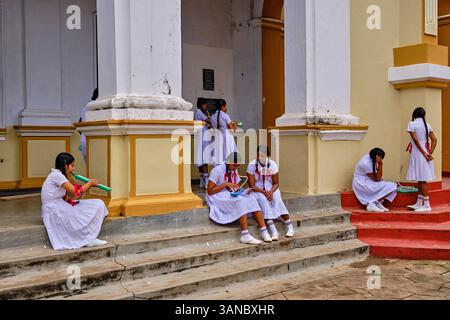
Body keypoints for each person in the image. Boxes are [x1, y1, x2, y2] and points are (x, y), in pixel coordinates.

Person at [41, 152, 109, 250]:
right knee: (88, 210)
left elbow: (70, 197)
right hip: (54, 210)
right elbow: (74, 191)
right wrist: (89, 184)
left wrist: (82, 191)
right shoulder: (56, 176)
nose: (73, 169)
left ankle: (89, 238)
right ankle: (88, 239)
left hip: (60, 206)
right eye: (72, 166)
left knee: (98, 204)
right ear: (65, 165)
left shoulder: (59, 176)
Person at [206, 152, 272, 245]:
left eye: (238, 166)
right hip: (216, 196)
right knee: (241, 201)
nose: (236, 168)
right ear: (228, 163)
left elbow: (235, 186)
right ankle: (245, 235)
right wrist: (225, 184)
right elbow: (210, 191)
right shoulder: (217, 170)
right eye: (234, 165)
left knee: (251, 198)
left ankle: (264, 231)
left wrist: (242, 191)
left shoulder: (233, 170)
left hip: (228, 194)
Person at [247, 145, 294, 240]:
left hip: (271, 188)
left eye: (263, 156)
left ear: (268, 155)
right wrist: (265, 192)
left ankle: (290, 227)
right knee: (263, 201)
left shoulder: (272, 164)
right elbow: (252, 185)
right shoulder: (252, 165)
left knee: (277, 199)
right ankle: (274, 231)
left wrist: (271, 192)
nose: (261, 158)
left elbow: (276, 183)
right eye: (259, 155)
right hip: (258, 189)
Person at [406, 107, 438, 212]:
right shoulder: (427, 125)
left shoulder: (412, 124)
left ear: (414, 114)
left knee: (422, 179)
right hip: (424, 153)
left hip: (419, 153)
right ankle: (419, 203)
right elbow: (434, 140)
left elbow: (415, 139)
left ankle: (427, 205)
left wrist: (424, 153)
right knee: (420, 178)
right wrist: (429, 153)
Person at [352, 148, 397, 213]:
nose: (380, 160)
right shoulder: (366, 163)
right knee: (391, 186)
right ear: (377, 157)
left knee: (392, 186)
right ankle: (372, 204)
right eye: (380, 158)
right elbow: (377, 178)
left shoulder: (371, 158)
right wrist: (380, 164)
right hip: (362, 183)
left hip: (367, 180)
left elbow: (377, 177)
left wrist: (379, 178)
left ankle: (377, 203)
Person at [210, 99, 238, 166]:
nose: (226, 108)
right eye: (225, 106)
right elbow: (232, 130)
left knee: (219, 157)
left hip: (217, 138)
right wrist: (234, 125)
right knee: (228, 157)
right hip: (227, 139)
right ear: (222, 107)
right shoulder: (225, 116)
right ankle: (228, 174)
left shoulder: (212, 117)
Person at [194, 98, 212, 189]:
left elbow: (206, 125)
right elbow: (210, 122)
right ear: (202, 105)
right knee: (204, 159)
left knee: (200, 159)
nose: (207, 106)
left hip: (201, 136)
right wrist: (209, 117)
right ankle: (206, 181)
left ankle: (202, 181)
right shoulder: (199, 112)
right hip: (202, 138)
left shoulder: (197, 112)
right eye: (205, 104)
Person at [79, 88, 98, 163]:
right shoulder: (97, 107)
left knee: (88, 166)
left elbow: (79, 123)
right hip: (94, 140)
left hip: (84, 139)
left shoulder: (86, 107)